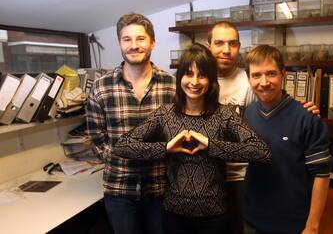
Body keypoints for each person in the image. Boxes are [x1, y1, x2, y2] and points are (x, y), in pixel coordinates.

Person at [111, 43, 272, 234]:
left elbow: (263, 152)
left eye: (202, 75)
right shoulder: (165, 114)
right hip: (173, 216)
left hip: (215, 217)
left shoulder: (224, 115)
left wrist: (210, 145)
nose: (194, 82)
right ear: (180, 77)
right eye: (188, 73)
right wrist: (166, 147)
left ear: (211, 80)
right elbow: (122, 146)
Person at [206, 21, 320, 234]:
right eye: (219, 43)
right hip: (208, 176)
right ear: (208, 45)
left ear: (239, 46)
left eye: (232, 43)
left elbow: (269, 106)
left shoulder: (246, 79)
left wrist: (303, 111)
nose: (226, 50)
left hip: (243, 176)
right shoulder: (199, 80)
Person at [86, 13, 176, 234]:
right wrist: (120, 158)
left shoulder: (172, 86)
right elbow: (95, 137)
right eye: (127, 39)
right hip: (120, 193)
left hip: (162, 190)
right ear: (119, 43)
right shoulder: (101, 87)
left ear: (152, 42)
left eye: (140, 39)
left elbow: (179, 131)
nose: (134, 45)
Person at [243, 45, 333, 234]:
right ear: (248, 78)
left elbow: (322, 175)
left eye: (271, 73)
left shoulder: (306, 118)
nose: (264, 82)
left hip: (294, 225)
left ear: (283, 74)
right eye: (256, 75)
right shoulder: (248, 113)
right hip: (251, 221)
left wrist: (312, 227)